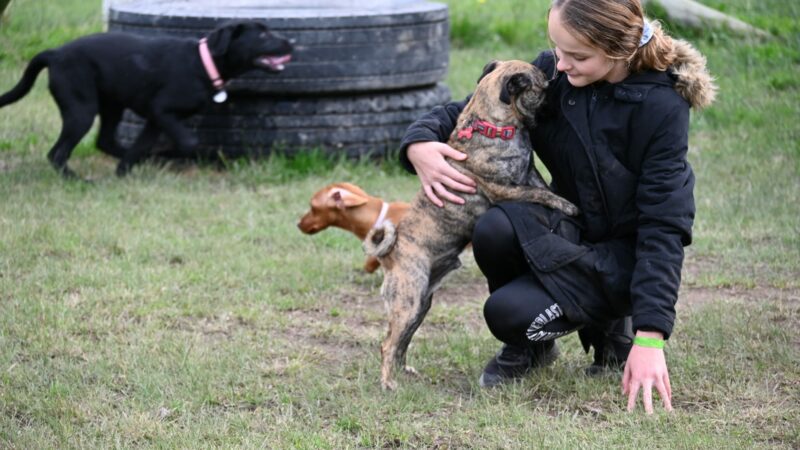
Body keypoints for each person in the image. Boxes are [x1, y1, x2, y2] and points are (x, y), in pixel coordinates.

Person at [398, 0, 715, 414]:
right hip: (571, 229)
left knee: (508, 313)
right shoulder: (556, 73)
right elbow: (472, 109)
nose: (560, 65)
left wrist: (651, 336)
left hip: (621, 258)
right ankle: (533, 349)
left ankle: (616, 326)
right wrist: (419, 143)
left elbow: (663, 224)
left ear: (617, 48)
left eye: (577, 55)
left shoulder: (662, 106)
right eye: (557, 49)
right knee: (493, 228)